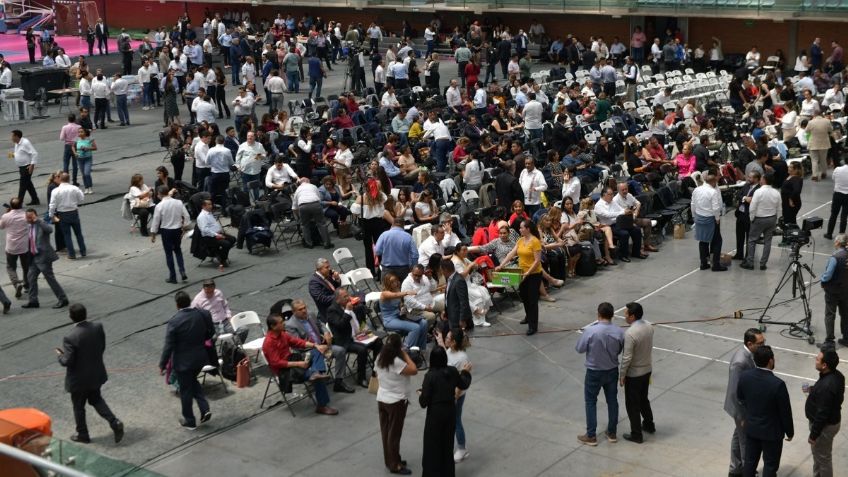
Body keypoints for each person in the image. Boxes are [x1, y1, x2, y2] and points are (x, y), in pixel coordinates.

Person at [56, 303, 124, 444]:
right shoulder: (97, 327)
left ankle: (83, 434)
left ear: (71, 317)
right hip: (96, 373)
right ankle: (114, 422)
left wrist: (60, 356)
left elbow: (67, 361)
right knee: (96, 399)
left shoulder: (70, 337)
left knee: (78, 407)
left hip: (79, 380)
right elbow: (102, 346)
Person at [262, 312, 338, 416]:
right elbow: (277, 363)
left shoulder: (282, 334)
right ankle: (322, 406)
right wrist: (298, 363)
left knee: (316, 351)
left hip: (292, 360)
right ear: (273, 326)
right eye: (280, 322)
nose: (284, 323)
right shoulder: (268, 343)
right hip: (285, 371)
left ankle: (316, 373)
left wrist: (315, 345)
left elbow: (297, 342)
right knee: (317, 378)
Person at [158, 291, 215, 430]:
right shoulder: (202, 314)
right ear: (190, 301)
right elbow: (211, 332)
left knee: (185, 391)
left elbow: (169, 345)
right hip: (200, 358)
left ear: (177, 305)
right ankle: (204, 408)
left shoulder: (174, 321)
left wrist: (162, 364)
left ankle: (189, 420)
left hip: (183, 362)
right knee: (192, 382)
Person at [736, 345, 794, 477]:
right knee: (770, 465)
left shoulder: (745, 377)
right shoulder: (777, 384)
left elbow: (740, 398)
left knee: (749, 463)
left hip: (752, 429)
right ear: (771, 361)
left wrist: (746, 417)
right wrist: (789, 432)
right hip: (771, 433)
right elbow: (785, 411)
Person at [576, 302, 625, 446]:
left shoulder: (590, 331)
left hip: (594, 372)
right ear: (612, 316)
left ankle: (591, 435)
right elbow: (620, 349)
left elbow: (579, 348)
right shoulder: (619, 332)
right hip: (611, 371)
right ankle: (612, 432)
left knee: (590, 402)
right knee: (612, 401)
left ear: (598, 314)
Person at [419, 346, 472, 477]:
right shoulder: (453, 371)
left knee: (432, 448)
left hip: (435, 416)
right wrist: (465, 372)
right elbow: (464, 384)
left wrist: (422, 394)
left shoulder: (430, 376)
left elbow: (423, 402)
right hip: (449, 413)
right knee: (447, 447)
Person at [285, 298, 352, 393]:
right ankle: (319, 383)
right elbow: (297, 344)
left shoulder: (310, 314)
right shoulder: (290, 325)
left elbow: (320, 324)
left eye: (304, 308)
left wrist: (326, 332)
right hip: (307, 352)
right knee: (317, 353)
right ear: (294, 312)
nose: (304, 310)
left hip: (323, 346)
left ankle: (339, 382)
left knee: (340, 351)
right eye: (300, 309)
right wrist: (316, 346)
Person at [724, 328, 765, 477]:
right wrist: (742, 416)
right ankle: (747, 472)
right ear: (749, 343)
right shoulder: (740, 362)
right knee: (746, 442)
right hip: (740, 409)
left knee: (738, 436)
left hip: (744, 407)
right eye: (760, 343)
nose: (763, 346)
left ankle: (735, 469)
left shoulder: (751, 355)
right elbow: (735, 392)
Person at [376, 333, 418, 475]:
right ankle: (395, 465)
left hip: (382, 398)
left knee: (386, 432)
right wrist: (404, 354)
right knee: (394, 435)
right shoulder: (396, 361)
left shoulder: (380, 358)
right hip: (396, 402)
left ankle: (392, 459)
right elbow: (414, 370)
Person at [326, 287, 383, 388]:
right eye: (345, 297)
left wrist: (362, 326)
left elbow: (358, 320)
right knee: (362, 349)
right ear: (337, 299)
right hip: (345, 340)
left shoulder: (349, 305)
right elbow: (340, 325)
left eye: (348, 295)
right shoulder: (332, 310)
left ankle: (376, 370)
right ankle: (361, 378)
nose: (348, 298)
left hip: (358, 335)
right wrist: (347, 311)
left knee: (378, 341)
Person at [495, 220, 543, 335]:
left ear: (528, 229)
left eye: (521, 228)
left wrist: (528, 272)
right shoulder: (520, 240)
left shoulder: (535, 242)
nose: (519, 230)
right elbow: (511, 254)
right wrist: (501, 266)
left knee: (532, 300)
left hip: (534, 274)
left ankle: (533, 325)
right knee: (524, 297)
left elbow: (537, 261)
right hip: (521, 273)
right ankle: (528, 316)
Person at [804, 348, 844, 477]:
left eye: (817, 359)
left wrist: (813, 435)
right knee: (819, 455)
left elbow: (822, 414)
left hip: (824, 428)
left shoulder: (826, 386)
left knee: (823, 458)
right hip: (831, 421)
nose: (815, 360)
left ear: (824, 365)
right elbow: (835, 398)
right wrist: (814, 390)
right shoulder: (837, 376)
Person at [619, 302, 655, 444]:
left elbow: (626, 357)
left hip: (634, 374)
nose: (624, 316)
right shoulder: (649, 326)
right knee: (643, 399)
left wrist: (622, 375)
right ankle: (649, 424)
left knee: (632, 404)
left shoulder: (630, 333)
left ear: (632, 316)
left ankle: (636, 434)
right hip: (647, 370)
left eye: (626, 314)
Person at [22, 209, 68, 309]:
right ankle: (33, 301)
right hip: (34, 257)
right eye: (27, 217)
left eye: (30, 217)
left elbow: (50, 230)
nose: (28, 219)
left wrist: (38, 220)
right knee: (31, 278)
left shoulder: (41, 223)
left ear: (35, 216)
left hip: (43, 257)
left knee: (50, 279)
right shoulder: (28, 226)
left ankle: (63, 299)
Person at [150, 186, 190, 284]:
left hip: (166, 231)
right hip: (177, 230)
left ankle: (173, 277)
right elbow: (187, 216)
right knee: (178, 250)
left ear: (159, 194)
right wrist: (184, 227)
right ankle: (182, 270)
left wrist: (153, 234)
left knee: (169, 254)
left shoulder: (159, 206)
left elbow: (156, 221)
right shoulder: (178, 202)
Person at [742, 172, 780, 271]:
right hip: (771, 218)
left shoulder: (758, 192)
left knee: (752, 240)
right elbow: (779, 208)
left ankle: (750, 263)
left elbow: (753, 207)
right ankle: (763, 264)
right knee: (768, 241)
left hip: (759, 219)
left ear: (764, 180)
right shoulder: (776, 192)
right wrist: (775, 219)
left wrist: (752, 218)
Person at [691, 172, 727, 271]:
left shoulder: (697, 189)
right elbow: (715, 208)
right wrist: (717, 219)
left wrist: (694, 216)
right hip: (710, 218)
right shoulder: (713, 192)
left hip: (699, 217)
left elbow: (693, 204)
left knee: (703, 240)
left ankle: (703, 263)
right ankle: (716, 264)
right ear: (714, 182)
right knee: (717, 241)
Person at [48, 172, 86, 260]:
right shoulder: (74, 188)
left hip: (63, 214)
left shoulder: (56, 191)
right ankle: (83, 251)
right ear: (69, 179)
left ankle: (71, 254)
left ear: (60, 179)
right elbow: (81, 198)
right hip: (74, 212)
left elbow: (52, 204)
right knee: (78, 234)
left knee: (67, 235)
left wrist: (51, 215)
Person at [820, 235, 848, 348]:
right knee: (846, 314)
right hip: (846, 290)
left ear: (837, 243)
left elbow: (827, 276)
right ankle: (846, 338)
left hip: (833, 290)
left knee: (830, 314)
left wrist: (822, 279)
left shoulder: (835, 257)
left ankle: (830, 340)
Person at [1, 197, 30, 300]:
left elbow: (1, 226)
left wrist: (7, 214)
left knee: (10, 267)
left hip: (11, 247)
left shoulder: (6, 216)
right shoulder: (25, 216)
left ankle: (16, 283)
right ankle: (27, 284)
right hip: (24, 246)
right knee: (26, 266)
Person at [293, 177, 333, 249]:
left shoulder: (297, 189)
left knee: (305, 225)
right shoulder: (313, 186)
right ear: (308, 181)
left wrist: (298, 216)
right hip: (315, 204)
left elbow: (294, 208)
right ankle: (327, 243)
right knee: (321, 224)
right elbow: (319, 198)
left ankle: (309, 244)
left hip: (303, 206)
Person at [376, 217, 419, 282]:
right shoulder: (408, 236)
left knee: (387, 290)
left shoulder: (384, 235)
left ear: (392, 223)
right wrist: (412, 267)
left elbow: (377, 251)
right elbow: (415, 255)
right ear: (403, 225)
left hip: (387, 268)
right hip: (403, 269)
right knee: (404, 290)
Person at [196, 199, 235, 270]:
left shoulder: (209, 213)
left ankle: (220, 254)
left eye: (211, 204)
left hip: (217, 233)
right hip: (209, 237)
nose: (211, 206)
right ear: (203, 206)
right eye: (209, 204)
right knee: (226, 244)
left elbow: (214, 225)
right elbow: (204, 229)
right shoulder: (202, 216)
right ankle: (223, 259)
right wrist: (216, 234)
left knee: (232, 239)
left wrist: (222, 232)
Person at [734, 171, 761, 260]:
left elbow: (753, 201)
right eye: (748, 177)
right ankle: (739, 254)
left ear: (756, 179)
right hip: (741, 214)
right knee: (739, 235)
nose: (748, 179)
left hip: (749, 216)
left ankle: (748, 256)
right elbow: (738, 194)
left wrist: (744, 198)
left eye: (750, 177)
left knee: (749, 237)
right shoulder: (746, 185)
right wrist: (745, 198)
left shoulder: (758, 190)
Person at [11, 130, 40, 205]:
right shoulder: (16, 143)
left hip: (27, 167)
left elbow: (34, 153)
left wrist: (32, 165)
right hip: (21, 167)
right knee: (28, 184)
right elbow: (21, 152)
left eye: (12, 136)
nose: (11, 138)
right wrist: (14, 155)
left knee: (23, 185)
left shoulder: (25, 143)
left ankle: (18, 203)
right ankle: (35, 199)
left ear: (17, 136)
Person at [824, 161, 848, 240]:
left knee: (833, 214)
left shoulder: (837, 169)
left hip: (837, 194)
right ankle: (841, 236)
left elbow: (833, 178)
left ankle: (829, 234)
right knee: (844, 216)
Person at [807, 111, 833, 181]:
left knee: (814, 160)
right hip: (824, 143)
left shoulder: (811, 122)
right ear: (822, 114)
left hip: (813, 143)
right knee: (823, 159)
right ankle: (823, 173)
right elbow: (831, 129)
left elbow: (806, 131)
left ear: (814, 115)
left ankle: (815, 175)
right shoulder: (827, 121)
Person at [71, 128, 97, 195]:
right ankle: (86, 188)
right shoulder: (77, 139)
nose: (80, 133)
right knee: (83, 174)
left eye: (81, 132)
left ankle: (90, 187)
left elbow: (95, 148)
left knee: (87, 173)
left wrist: (87, 148)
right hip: (80, 158)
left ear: (85, 133)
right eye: (79, 132)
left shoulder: (89, 139)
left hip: (88, 158)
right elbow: (73, 147)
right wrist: (75, 153)